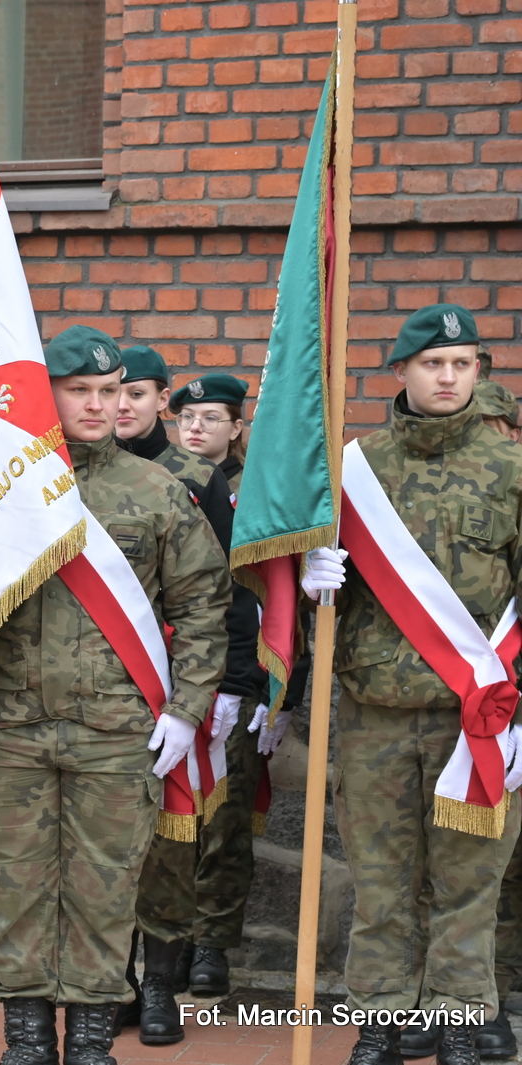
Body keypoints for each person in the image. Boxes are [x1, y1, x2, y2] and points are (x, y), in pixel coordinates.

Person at [0, 326, 230, 1065]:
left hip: (118, 731)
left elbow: (203, 605)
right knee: (21, 888)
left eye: (114, 391)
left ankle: (92, 1036)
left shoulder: (160, 489)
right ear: (46, 393)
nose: (101, 405)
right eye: (82, 391)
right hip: (12, 724)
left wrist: (189, 708)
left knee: (104, 887)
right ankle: (27, 1037)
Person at [303, 305, 522, 1065]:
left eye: (464, 364)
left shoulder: (512, 470)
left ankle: (461, 1019)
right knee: (381, 880)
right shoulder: (356, 468)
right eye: (434, 364)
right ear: (400, 372)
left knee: (469, 883)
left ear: (478, 374)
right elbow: (325, 609)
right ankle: (384, 1022)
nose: (450, 377)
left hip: (479, 718)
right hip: (375, 716)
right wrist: (313, 584)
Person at [110, 345, 248, 1046]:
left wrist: (231, 687)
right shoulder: (66, 476)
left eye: (137, 393)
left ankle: (160, 980)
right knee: (105, 846)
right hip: (101, 690)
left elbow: (231, 592)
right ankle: (116, 980)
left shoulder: (197, 477)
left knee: (171, 839)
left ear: (161, 401)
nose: (123, 405)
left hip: (179, 688)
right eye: (113, 393)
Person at [170, 373, 306, 1004]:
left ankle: (211, 943)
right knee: (169, 821)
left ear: (237, 428)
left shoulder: (261, 496)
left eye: (210, 417)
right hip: (169, 684)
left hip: (243, 683)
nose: (195, 427)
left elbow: (283, 604)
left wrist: (285, 694)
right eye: (187, 417)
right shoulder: (160, 482)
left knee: (224, 821)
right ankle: (165, 940)